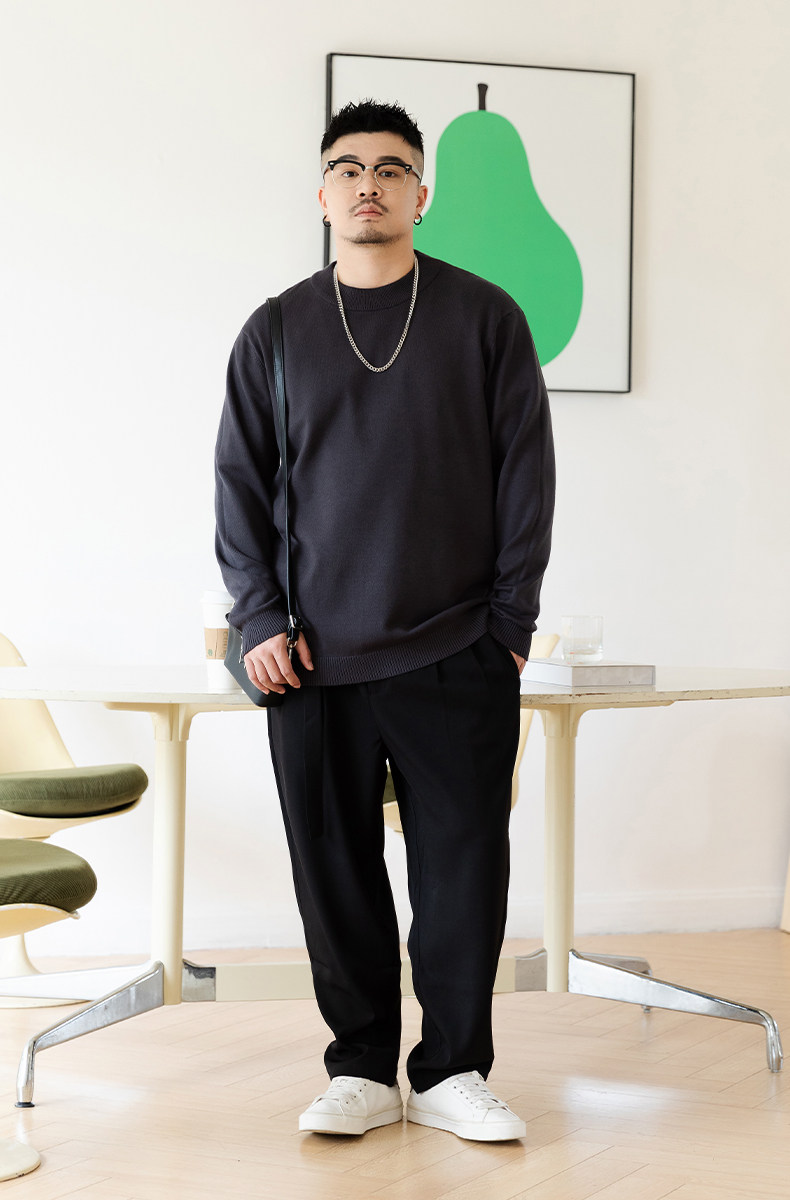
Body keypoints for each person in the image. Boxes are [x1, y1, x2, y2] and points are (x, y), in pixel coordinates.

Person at [215, 99, 555, 1143]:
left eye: (392, 168)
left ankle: (453, 1070)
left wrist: (508, 625)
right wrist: (258, 620)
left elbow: (526, 477)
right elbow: (241, 488)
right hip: (310, 658)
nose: (370, 184)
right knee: (334, 874)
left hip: (458, 647)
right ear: (323, 196)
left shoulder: (486, 318)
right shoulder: (274, 331)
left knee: (462, 871)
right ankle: (359, 1067)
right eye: (349, 168)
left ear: (422, 193)